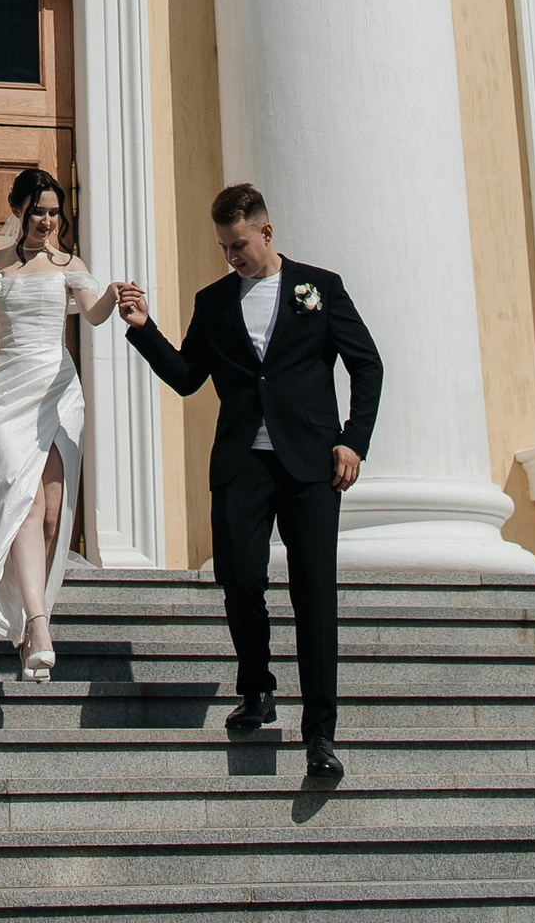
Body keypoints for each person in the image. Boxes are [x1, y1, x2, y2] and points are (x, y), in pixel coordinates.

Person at [115, 182, 382, 784]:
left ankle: (320, 734)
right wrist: (142, 327)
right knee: (238, 580)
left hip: (311, 465)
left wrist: (354, 440)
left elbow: (367, 365)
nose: (231, 256)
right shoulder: (213, 302)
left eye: (238, 245)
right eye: (223, 247)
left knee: (314, 595)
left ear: (265, 231)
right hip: (242, 464)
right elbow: (188, 377)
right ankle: (257, 689)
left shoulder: (320, 287)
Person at [0, 165, 121, 679]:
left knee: (52, 515)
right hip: (7, 396)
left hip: (57, 393)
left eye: (54, 213)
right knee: (24, 502)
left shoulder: (69, 263)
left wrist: (115, 293)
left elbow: (93, 314)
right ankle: (39, 627)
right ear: (18, 210)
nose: (47, 221)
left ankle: (28, 622)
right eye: (38, 212)